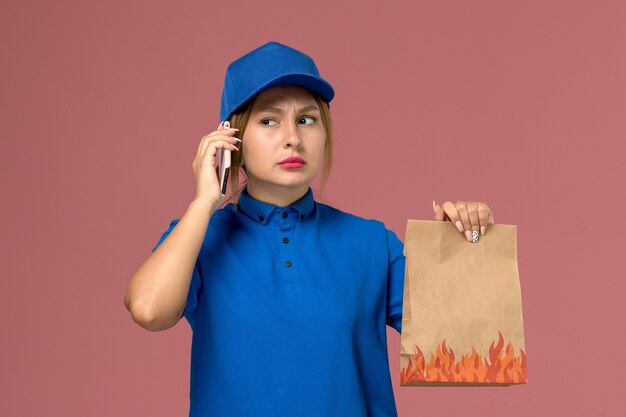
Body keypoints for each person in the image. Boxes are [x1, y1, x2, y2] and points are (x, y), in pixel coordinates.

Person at [124, 41, 494, 417]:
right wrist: (203, 202)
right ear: (230, 139)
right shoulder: (200, 238)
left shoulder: (371, 244)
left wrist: (468, 241)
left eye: (307, 119)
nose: (293, 138)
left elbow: (467, 345)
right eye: (269, 120)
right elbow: (148, 310)